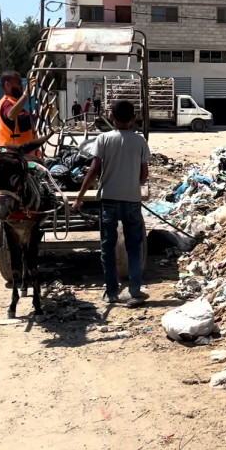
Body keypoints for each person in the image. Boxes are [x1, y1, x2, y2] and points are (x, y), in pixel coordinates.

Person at [73, 100, 151, 306]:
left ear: (111, 118)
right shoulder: (140, 141)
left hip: (109, 200)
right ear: (134, 118)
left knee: (107, 246)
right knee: (134, 247)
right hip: (132, 200)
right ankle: (134, 290)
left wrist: (79, 198)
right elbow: (144, 174)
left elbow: (93, 170)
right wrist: (134, 183)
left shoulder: (104, 139)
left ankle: (111, 292)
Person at [0, 71, 36, 152]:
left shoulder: (15, 103)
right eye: (18, 83)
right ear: (7, 84)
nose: (21, 86)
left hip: (23, 152)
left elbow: (24, 124)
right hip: (11, 153)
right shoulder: (6, 103)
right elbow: (11, 115)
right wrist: (26, 94)